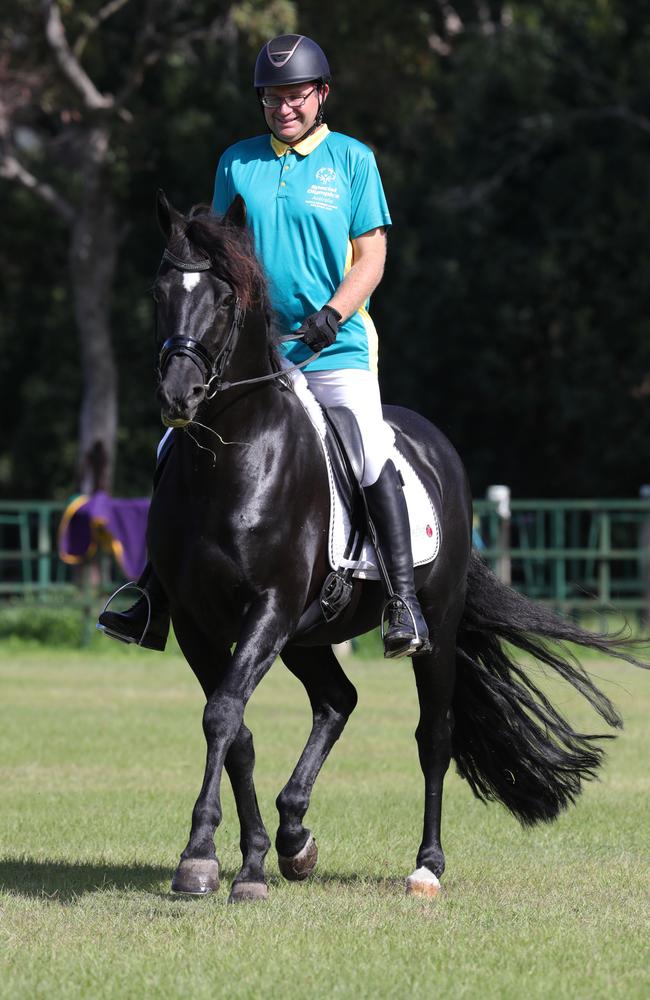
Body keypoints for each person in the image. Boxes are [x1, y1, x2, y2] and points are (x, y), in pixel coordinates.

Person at [98, 33, 429, 659]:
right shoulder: (237, 162)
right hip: (251, 357)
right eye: (272, 98)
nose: (284, 107)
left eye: (296, 96)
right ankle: (152, 593)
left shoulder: (353, 161)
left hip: (336, 347)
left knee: (367, 444)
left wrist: (335, 311)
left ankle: (404, 601)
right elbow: (219, 252)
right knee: (175, 441)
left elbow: (374, 255)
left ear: (321, 95)